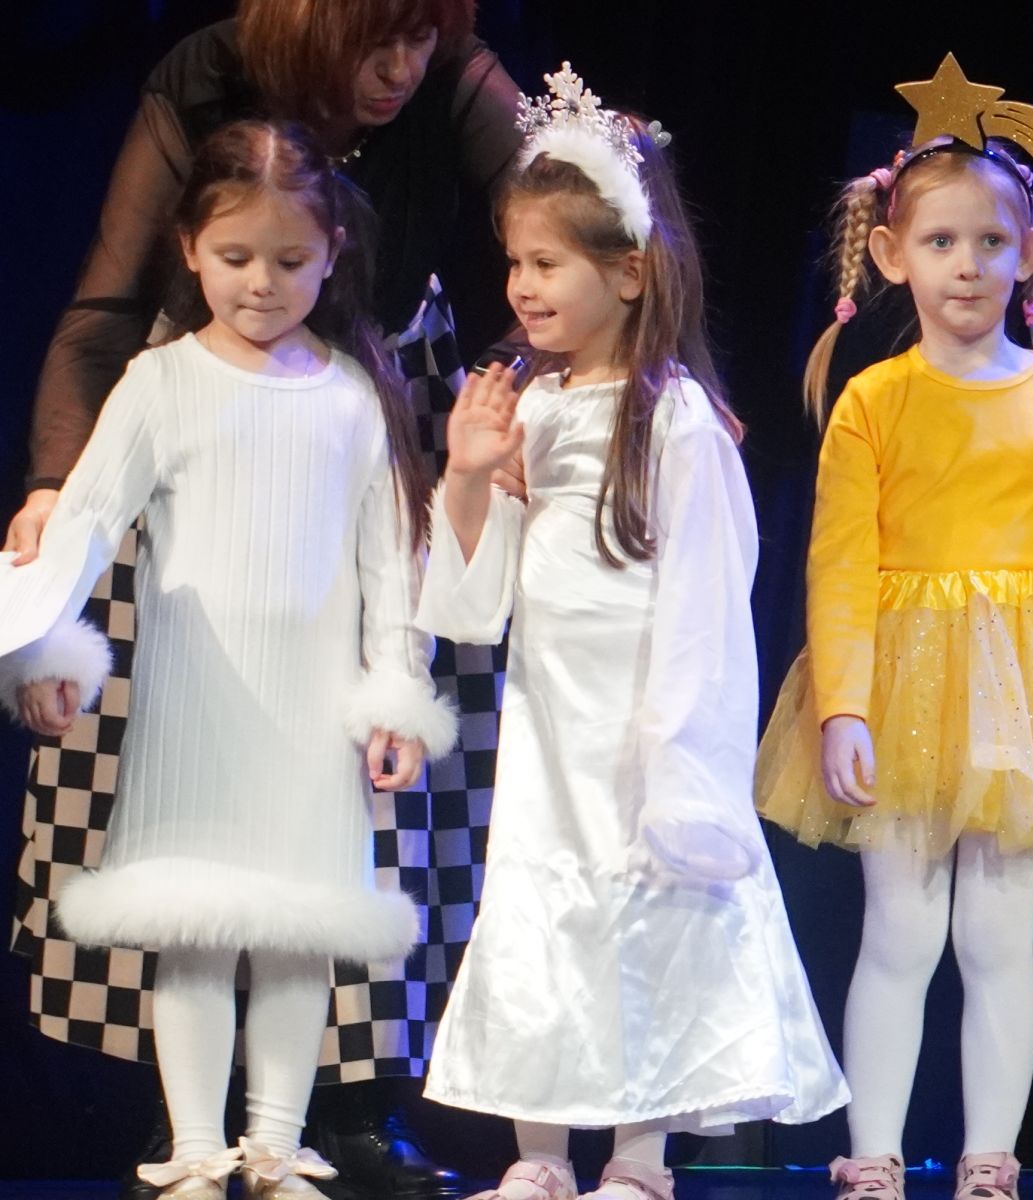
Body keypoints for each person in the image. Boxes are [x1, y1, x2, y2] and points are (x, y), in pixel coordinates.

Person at [4, 5, 524, 1194]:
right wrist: (42, 642)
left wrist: (395, 689)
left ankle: (288, 1142)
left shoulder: (353, 396)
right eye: (236, 257)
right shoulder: (159, 380)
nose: (261, 283)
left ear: (331, 256)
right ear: (193, 249)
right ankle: (193, 1147)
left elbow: (390, 559)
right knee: (191, 919)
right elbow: (85, 518)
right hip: (198, 688)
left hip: (313, 694)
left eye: (289, 261)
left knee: (304, 923)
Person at [412, 65, 848, 1200]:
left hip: (645, 724)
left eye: (546, 263)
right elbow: (469, 607)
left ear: (628, 269)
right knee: (544, 914)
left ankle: (641, 1161)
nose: (522, 286)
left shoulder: (681, 421)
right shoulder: (534, 407)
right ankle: (540, 1156)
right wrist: (469, 476)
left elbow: (710, 604)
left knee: (647, 920)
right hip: (549, 727)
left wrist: (680, 751)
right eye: (515, 262)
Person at [754, 54, 1033, 1200]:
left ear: (1030, 253)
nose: (965, 264)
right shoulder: (874, 400)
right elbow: (839, 563)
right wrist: (845, 708)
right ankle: (872, 1154)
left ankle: (988, 1160)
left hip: (1024, 695)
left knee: (999, 937)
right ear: (890, 254)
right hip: (902, 690)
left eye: (990, 242)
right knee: (901, 933)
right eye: (939, 241)